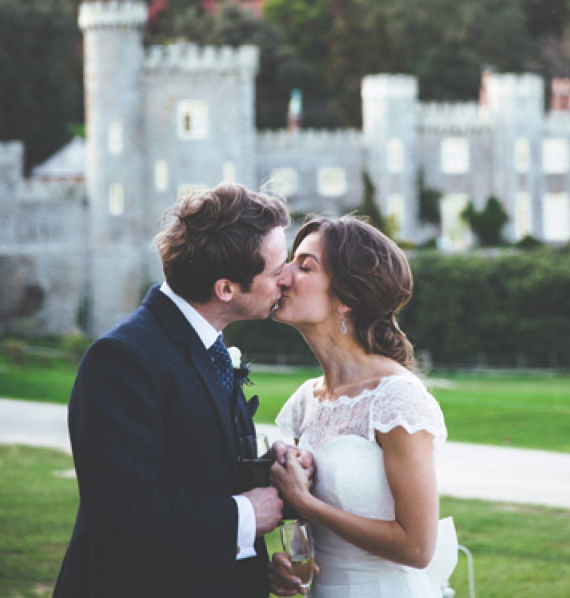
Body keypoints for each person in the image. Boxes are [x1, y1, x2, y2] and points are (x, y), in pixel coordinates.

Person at [54, 183, 294, 598]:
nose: (287, 279)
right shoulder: (122, 359)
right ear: (225, 289)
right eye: (276, 271)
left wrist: (270, 469)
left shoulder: (211, 347)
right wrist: (245, 516)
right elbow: (125, 509)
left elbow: (198, 462)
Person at [268, 216, 447, 598]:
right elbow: (305, 525)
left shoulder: (396, 398)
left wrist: (306, 504)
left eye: (304, 266)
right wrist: (291, 559)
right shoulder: (305, 401)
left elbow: (416, 548)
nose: (281, 276)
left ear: (347, 297)